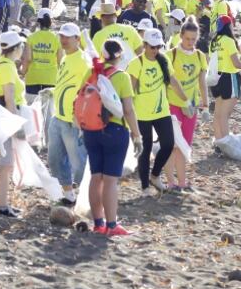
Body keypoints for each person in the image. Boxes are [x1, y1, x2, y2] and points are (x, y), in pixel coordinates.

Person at [85, 40, 142, 236]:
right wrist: (137, 135)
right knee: (110, 181)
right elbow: (128, 109)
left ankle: (98, 223)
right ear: (119, 56)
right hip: (114, 130)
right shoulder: (122, 77)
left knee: (96, 177)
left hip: (91, 129)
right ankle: (111, 225)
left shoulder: (91, 73)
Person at [128, 28, 187, 195]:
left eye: (158, 47)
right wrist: (127, 115)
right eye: (152, 47)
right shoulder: (136, 63)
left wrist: (186, 100)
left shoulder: (163, 60)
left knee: (168, 144)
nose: (155, 50)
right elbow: (129, 91)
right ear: (144, 45)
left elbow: (174, 82)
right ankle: (145, 186)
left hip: (161, 111)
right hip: (141, 114)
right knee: (144, 150)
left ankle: (155, 175)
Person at [49, 22, 91, 204]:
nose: (63, 39)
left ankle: (84, 195)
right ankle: (68, 194)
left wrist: (80, 113)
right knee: (54, 159)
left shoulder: (83, 60)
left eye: (68, 36)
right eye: (61, 36)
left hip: (72, 120)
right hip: (58, 116)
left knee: (79, 162)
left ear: (77, 39)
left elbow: (90, 86)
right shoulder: (65, 58)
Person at [164, 20, 208, 192]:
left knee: (184, 145)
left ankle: (182, 182)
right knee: (171, 145)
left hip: (191, 106)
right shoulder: (171, 55)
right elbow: (170, 81)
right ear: (180, 36)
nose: (190, 42)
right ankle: (170, 182)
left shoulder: (199, 56)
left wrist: (205, 105)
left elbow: (202, 81)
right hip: (173, 104)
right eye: (188, 38)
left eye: (194, 39)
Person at [0, 30, 28, 216]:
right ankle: (2, 205)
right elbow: (9, 99)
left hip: (4, 117)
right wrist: (17, 126)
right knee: (6, 164)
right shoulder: (7, 67)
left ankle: (3, 202)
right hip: (7, 118)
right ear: (16, 48)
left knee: (7, 163)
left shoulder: (5, 64)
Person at [209, 16, 241, 138]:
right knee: (225, 115)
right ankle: (226, 142)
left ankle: (219, 140)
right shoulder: (228, 41)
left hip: (216, 78)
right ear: (228, 26)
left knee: (218, 113)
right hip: (229, 77)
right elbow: (237, 64)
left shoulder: (214, 41)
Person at [21, 8, 61, 95]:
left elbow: (27, 59)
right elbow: (60, 61)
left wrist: (23, 73)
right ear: (51, 21)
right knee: (48, 107)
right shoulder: (57, 38)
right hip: (51, 78)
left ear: (38, 22)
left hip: (33, 78)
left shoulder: (31, 37)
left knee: (32, 107)